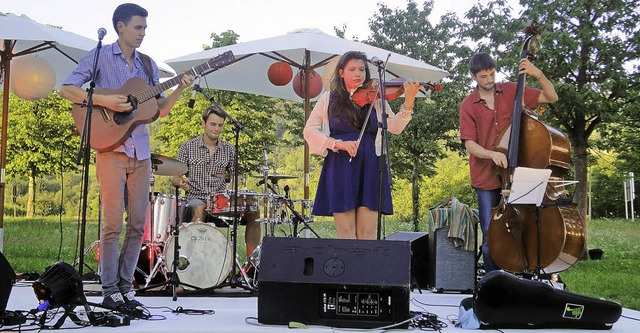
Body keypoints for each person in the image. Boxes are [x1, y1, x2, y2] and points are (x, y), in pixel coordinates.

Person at [60, 3, 194, 310]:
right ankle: (108, 290)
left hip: (141, 152)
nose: (143, 33)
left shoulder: (147, 65)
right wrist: (105, 98)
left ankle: (124, 288)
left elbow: (158, 109)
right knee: (112, 224)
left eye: (145, 28)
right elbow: (67, 90)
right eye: (138, 27)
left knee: (136, 224)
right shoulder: (100, 56)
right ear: (120, 27)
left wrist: (179, 89)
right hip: (111, 149)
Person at [303, 51, 420, 240]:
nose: (358, 74)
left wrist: (409, 101)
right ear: (341, 73)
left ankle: (367, 269)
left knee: (367, 233)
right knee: (346, 233)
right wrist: (337, 144)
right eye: (352, 69)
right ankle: (348, 270)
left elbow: (395, 127)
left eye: (362, 69)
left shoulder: (376, 99)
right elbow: (309, 131)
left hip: (371, 165)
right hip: (341, 166)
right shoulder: (328, 99)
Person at [459, 52, 558, 272]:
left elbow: (552, 97)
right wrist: (491, 154)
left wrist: (538, 74)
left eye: (492, 74)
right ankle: (496, 282)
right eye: (483, 76)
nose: (489, 79)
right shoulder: (468, 104)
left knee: (527, 227)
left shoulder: (513, 90)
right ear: (474, 76)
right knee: (490, 233)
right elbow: (470, 144)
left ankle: (525, 277)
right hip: (486, 177)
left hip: (518, 173)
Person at [171, 106, 261, 260]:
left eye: (220, 125)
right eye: (213, 124)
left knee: (254, 210)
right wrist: (181, 182)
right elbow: (174, 178)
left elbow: (234, 178)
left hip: (220, 201)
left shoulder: (229, 150)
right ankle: (194, 260)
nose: (217, 129)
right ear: (203, 124)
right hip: (195, 198)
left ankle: (251, 265)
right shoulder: (187, 147)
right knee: (200, 207)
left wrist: (235, 191)